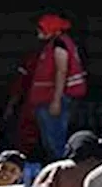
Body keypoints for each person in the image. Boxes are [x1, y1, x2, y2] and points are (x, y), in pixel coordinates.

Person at [6, 15, 88, 161]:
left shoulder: (59, 45)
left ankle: (59, 169)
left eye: (42, 28)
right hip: (47, 99)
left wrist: (56, 101)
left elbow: (61, 72)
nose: (38, 32)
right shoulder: (57, 43)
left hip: (53, 100)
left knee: (55, 141)